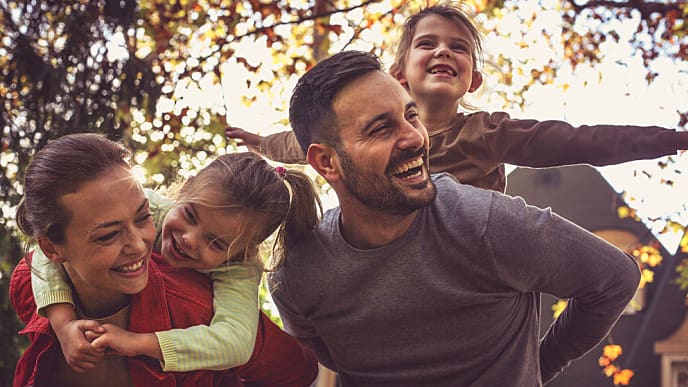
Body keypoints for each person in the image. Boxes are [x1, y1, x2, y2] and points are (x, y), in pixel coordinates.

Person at [266, 50, 641, 386]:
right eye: (381, 128)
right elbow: (320, 362)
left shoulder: (485, 224)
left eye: (411, 115)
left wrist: (537, 368)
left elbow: (615, 279)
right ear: (327, 163)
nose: (414, 137)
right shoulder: (297, 276)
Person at [226, 4, 688, 193]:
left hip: (475, 259)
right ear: (398, 74)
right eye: (427, 44)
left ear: (473, 81)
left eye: (459, 47)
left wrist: (672, 139)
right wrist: (262, 143)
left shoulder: (486, 133)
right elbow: (308, 142)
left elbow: (578, 141)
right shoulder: (371, 134)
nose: (443, 50)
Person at [11, 133, 318, 386]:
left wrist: (139, 342)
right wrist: (64, 324)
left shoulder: (225, 280)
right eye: (108, 234)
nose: (188, 240)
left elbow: (243, 346)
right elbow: (40, 257)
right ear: (184, 191)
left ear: (239, 253)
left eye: (215, 243)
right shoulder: (30, 281)